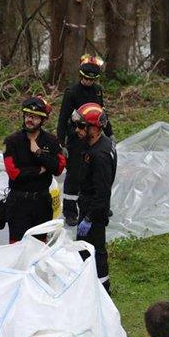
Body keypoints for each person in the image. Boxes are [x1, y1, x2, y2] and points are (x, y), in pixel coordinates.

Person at [57, 54, 113, 227]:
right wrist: (62, 143)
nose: (88, 82)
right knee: (74, 175)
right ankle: (70, 211)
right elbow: (63, 118)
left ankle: (97, 205)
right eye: (86, 79)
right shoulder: (72, 92)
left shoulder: (97, 91)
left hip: (95, 138)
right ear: (80, 76)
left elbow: (102, 114)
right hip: (76, 137)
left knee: (95, 172)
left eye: (92, 80)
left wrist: (110, 134)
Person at [3, 96, 66, 243]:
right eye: (27, 115)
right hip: (19, 203)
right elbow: (14, 174)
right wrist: (38, 171)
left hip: (42, 203)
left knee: (39, 246)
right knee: (17, 246)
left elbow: (58, 168)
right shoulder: (12, 141)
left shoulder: (51, 141)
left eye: (35, 117)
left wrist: (39, 153)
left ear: (44, 120)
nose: (29, 120)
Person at [70, 102, 117, 292]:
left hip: (93, 210)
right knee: (86, 250)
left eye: (82, 126)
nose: (78, 130)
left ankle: (102, 289)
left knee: (94, 251)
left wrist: (89, 217)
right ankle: (89, 287)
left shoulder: (100, 154)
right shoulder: (97, 145)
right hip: (90, 206)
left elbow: (102, 191)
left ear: (95, 129)